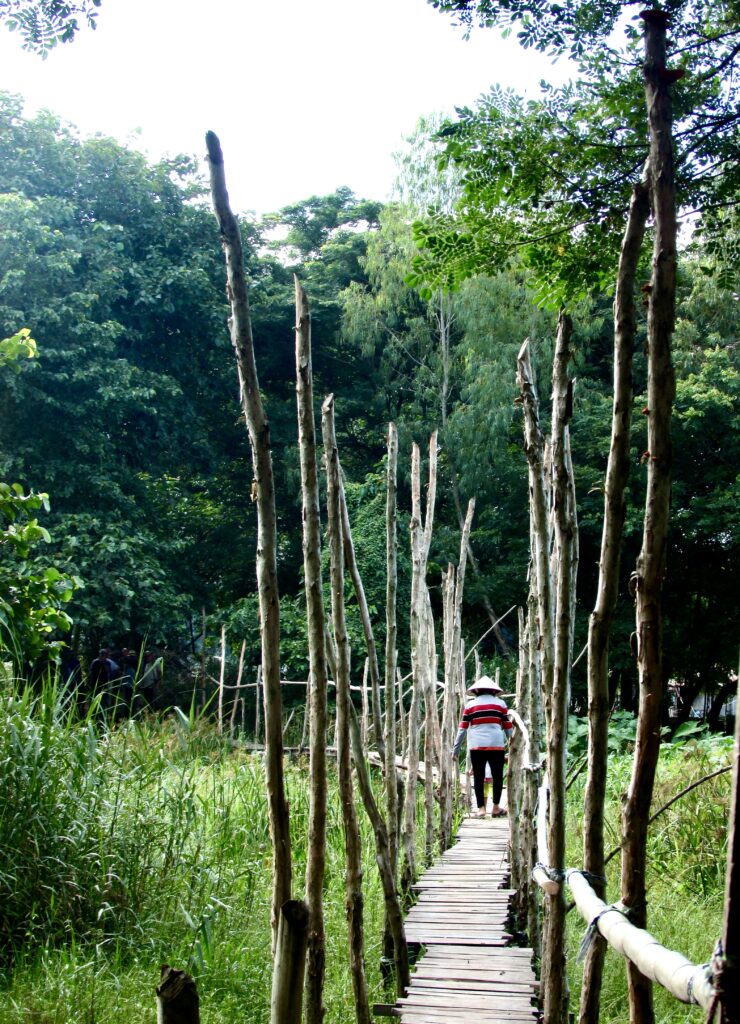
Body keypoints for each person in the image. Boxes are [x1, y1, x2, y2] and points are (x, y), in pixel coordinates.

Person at [453, 675, 513, 818]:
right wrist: (512, 742)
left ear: (477, 691)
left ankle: (481, 809)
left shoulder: (470, 706)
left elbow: (462, 729)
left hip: (477, 745)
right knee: (498, 776)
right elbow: (507, 726)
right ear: (493, 691)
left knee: (478, 777)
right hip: (496, 745)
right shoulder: (501, 704)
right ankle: (496, 808)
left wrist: (455, 749)